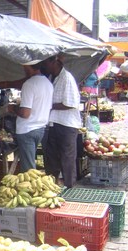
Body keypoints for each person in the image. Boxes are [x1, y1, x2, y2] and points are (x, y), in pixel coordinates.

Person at [41, 55, 81, 188]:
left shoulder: (66, 78)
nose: (45, 67)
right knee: (51, 158)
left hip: (66, 125)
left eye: (46, 64)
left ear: (54, 62)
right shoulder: (52, 78)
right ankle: (52, 187)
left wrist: (50, 105)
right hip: (52, 123)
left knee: (67, 159)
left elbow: (70, 103)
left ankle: (70, 187)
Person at [8, 61, 53, 172]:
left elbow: (25, 113)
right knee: (29, 162)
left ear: (28, 66)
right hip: (40, 129)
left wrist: (13, 108)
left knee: (28, 169)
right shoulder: (48, 83)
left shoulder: (29, 84)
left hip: (27, 130)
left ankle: (29, 188)